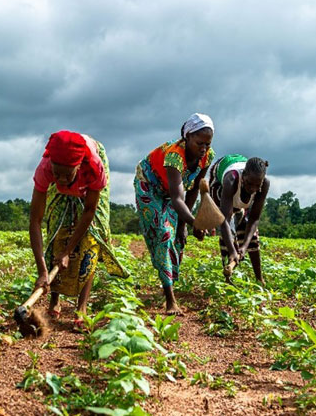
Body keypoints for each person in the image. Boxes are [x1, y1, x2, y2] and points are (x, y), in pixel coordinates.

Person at [30, 130, 127, 330]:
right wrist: (42, 270)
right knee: (56, 230)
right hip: (69, 171)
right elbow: (36, 220)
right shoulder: (45, 168)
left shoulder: (93, 168)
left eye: (67, 175)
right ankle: (54, 300)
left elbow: (90, 210)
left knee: (92, 238)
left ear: (78, 166)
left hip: (89, 179)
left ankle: (81, 307)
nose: (62, 180)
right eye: (58, 174)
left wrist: (69, 252)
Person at [134, 113, 215, 315]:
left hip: (170, 192)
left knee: (178, 237)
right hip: (149, 184)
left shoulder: (207, 156)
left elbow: (194, 188)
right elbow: (178, 199)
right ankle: (170, 300)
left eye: (208, 143)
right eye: (199, 143)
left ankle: (169, 282)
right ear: (187, 138)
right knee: (163, 234)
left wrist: (184, 225)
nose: (203, 148)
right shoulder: (174, 157)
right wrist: (196, 222)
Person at [209, 155, 270, 285]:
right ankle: (228, 279)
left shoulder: (264, 184)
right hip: (219, 179)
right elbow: (224, 220)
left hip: (239, 192)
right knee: (229, 233)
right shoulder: (231, 180)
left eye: (256, 185)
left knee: (250, 233)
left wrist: (244, 247)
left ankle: (260, 279)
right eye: (249, 183)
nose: (253, 189)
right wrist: (232, 251)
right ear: (244, 175)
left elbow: (254, 219)